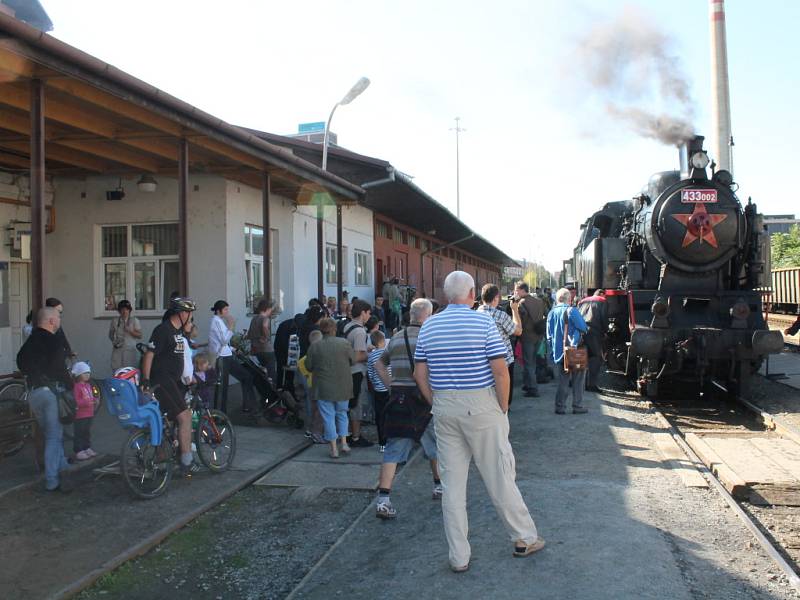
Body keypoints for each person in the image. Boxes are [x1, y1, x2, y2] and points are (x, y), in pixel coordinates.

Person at [414, 271, 544, 572]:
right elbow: (500, 370)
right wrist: (502, 408)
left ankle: (458, 557)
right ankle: (523, 538)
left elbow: (420, 375)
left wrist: (437, 402)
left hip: (445, 407)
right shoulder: (483, 321)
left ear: (447, 295)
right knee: (499, 475)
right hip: (481, 405)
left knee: (452, 485)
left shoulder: (429, 325)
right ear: (472, 293)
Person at [373, 298, 442, 520]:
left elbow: (378, 364)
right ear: (428, 315)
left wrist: (390, 386)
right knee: (436, 445)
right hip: (424, 399)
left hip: (399, 399)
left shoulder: (395, 338)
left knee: (393, 450)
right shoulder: (430, 337)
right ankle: (439, 485)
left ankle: (383, 499)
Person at [17, 307, 73, 492]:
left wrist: (35, 375)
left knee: (49, 434)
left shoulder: (31, 340)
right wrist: (72, 386)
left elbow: (20, 361)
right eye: (57, 316)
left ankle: (62, 467)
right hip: (50, 394)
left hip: (34, 394)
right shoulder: (53, 341)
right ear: (50, 321)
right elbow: (59, 369)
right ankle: (52, 480)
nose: (59, 319)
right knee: (54, 437)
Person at [141, 297, 200, 477]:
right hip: (162, 380)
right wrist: (145, 380)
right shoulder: (163, 330)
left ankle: (164, 455)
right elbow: (149, 355)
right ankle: (186, 463)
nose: (190, 318)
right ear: (182, 313)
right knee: (185, 417)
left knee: (173, 420)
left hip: (174, 381)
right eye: (189, 314)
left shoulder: (178, 332)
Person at [305, 318, 354, 458]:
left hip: (323, 387)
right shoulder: (344, 343)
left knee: (328, 417)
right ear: (334, 329)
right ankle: (344, 443)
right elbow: (353, 360)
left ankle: (333, 448)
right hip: (343, 385)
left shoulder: (315, 346)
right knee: (342, 414)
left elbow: (308, 366)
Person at [477, 284, 522, 408]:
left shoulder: (475, 314)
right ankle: (505, 408)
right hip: (503, 360)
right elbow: (518, 331)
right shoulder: (500, 315)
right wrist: (514, 309)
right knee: (504, 392)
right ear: (496, 298)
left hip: (481, 359)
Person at [208, 300, 256, 414]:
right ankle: (219, 413)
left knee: (246, 376)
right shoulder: (215, 321)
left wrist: (232, 349)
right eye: (225, 310)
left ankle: (247, 405)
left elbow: (224, 342)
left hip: (228, 355)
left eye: (227, 309)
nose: (227, 312)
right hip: (221, 358)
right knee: (222, 386)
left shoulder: (219, 321)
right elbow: (223, 339)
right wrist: (230, 326)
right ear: (219, 311)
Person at [547, 287, 589, 415]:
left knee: (562, 381)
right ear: (569, 299)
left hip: (559, 352)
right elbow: (584, 328)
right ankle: (578, 406)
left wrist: (554, 351)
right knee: (578, 379)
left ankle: (560, 407)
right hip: (573, 351)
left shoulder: (551, 313)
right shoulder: (572, 311)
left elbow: (549, 336)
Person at [343, 299, 373, 447]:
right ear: (363, 313)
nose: (369, 316)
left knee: (348, 404)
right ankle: (356, 436)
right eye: (368, 313)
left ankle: (347, 433)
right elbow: (357, 356)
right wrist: (370, 352)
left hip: (346, 371)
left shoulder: (347, 325)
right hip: (356, 372)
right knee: (356, 405)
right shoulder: (360, 331)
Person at [515, 282, 545, 398]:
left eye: (517, 290)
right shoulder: (539, 301)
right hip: (538, 335)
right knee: (533, 361)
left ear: (522, 290)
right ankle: (528, 384)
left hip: (527, 336)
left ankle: (533, 388)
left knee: (528, 363)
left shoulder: (521, 303)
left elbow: (519, 320)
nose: (516, 293)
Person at [578, 289, 608, 392]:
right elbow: (604, 318)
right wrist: (605, 331)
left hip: (581, 331)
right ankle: (591, 385)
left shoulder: (582, 301)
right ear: (601, 294)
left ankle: (578, 382)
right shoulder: (602, 301)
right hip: (594, 332)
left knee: (581, 357)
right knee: (596, 357)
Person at [70, 361, 99, 460]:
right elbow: (77, 401)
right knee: (79, 432)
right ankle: (79, 450)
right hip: (80, 414)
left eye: (89, 373)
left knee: (86, 431)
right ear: (78, 375)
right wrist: (87, 403)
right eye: (85, 373)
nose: (88, 375)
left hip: (89, 413)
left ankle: (87, 447)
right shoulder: (77, 387)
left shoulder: (88, 385)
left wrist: (94, 400)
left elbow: (90, 396)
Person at [108, 299, 142, 371]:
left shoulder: (134, 320)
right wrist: (114, 342)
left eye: (127, 309)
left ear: (129, 310)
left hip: (130, 350)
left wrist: (130, 331)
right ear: (119, 311)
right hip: (118, 351)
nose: (124, 311)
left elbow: (140, 335)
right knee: (117, 371)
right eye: (122, 309)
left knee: (130, 371)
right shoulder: (115, 321)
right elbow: (111, 334)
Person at [247, 298, 277, 381]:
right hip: (266, 350)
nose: (271, 311)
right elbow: (264, 326)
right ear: (267, 309)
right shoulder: (265, 318)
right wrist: (266, 337)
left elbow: (249, 335)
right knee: (271, 374)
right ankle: (272, 392)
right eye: (271, 309)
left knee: (261, 373)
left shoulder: (254, 319)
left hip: (256, 350)